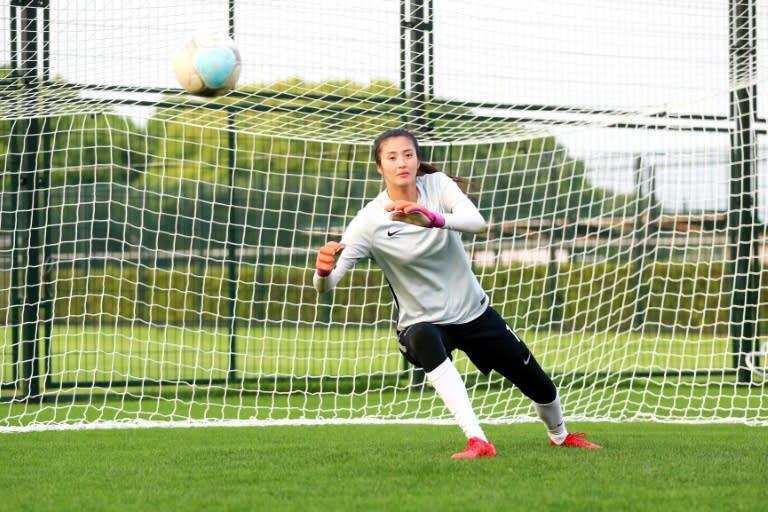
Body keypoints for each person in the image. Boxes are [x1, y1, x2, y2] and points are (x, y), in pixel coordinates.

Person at [313, 128, 601, 458]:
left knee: (541, 387)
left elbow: (476, 222)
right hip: (422, 323)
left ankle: (561, 436)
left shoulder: (436, 186)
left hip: (474, 313)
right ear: (380, 167)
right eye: (391, 157)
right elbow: (327, 284)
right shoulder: (368, 221)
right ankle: (478, 439)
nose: (401, 162)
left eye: (408, 154)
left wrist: (433, 219)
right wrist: (323, 271)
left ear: (417, 159)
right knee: (422, 336)